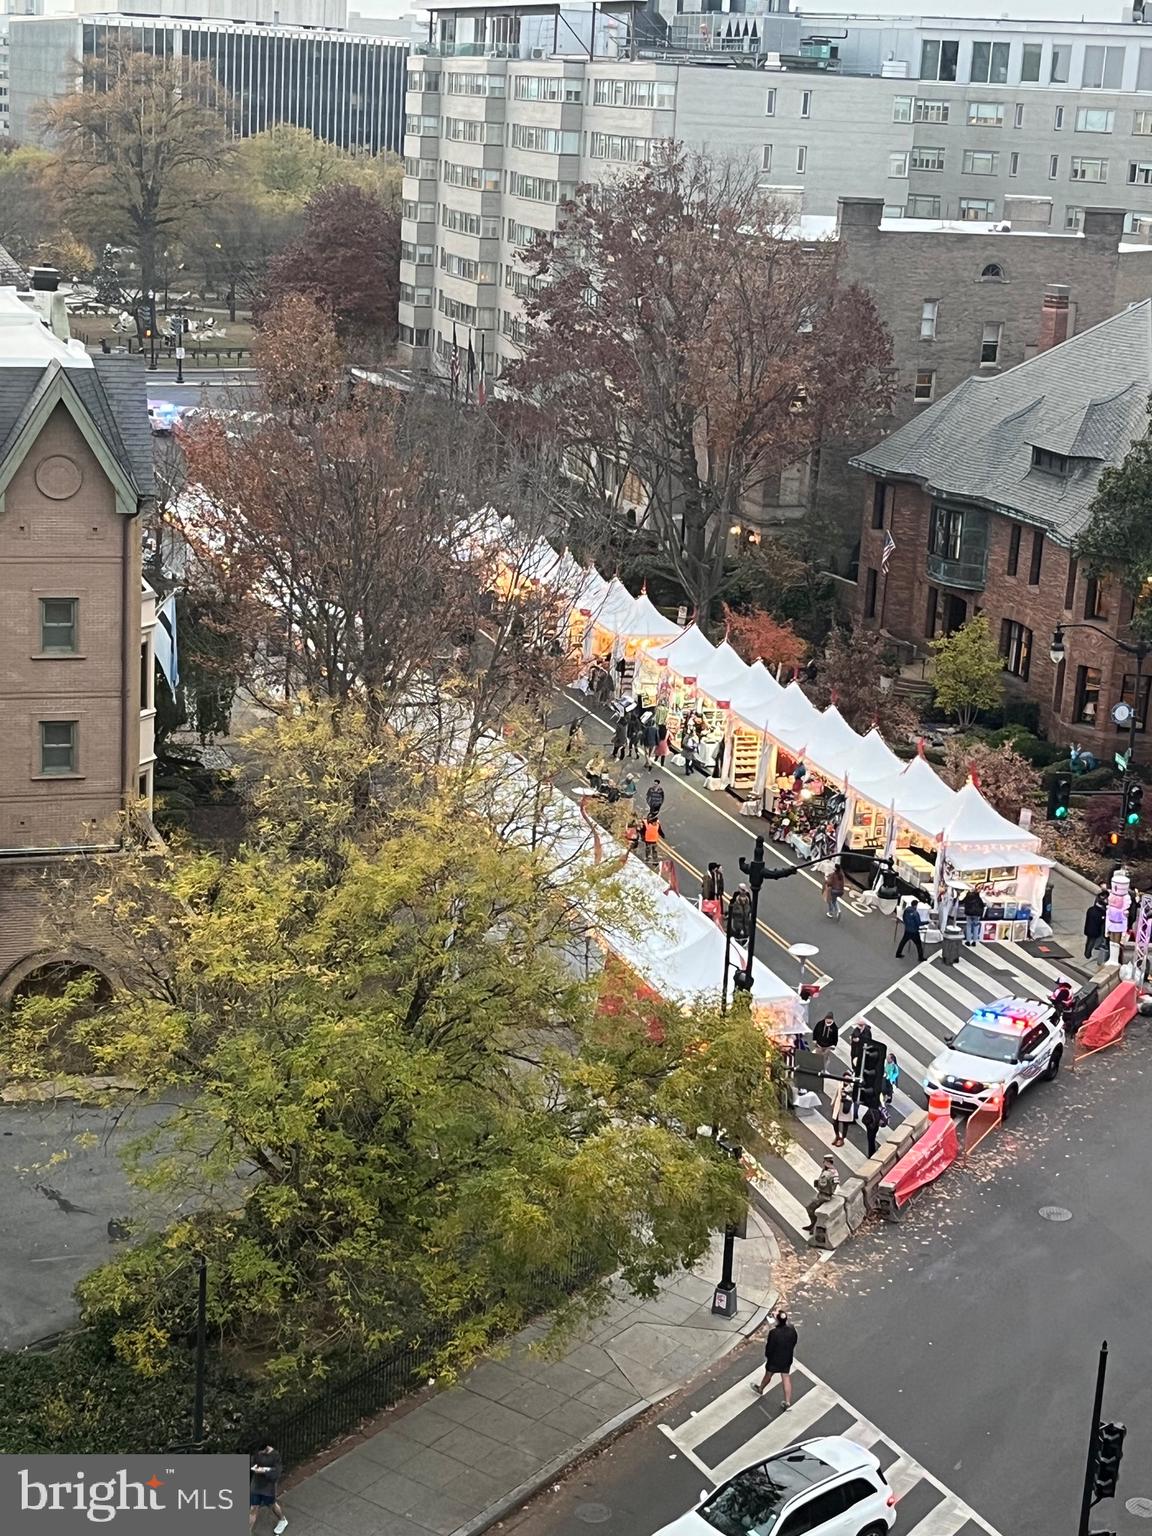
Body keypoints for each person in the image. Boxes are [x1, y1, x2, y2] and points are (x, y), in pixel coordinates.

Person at [753, 1310, 799, 1408]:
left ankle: (760, 1388)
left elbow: (770, 1347)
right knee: (786, 1377)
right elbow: (795, 1340)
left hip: (774, 1359)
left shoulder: (774, 1333)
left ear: (778, 1320)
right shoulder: (791, 1329)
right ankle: (787, 1401)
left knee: (768, 1375)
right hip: (787, 1358)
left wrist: (768, 1356)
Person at [250, 1442, 287, 1534]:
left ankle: (282, 1520)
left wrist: (263, 1471)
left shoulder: (275, 1456)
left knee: (272, 1505)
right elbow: (254, 1461)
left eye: (261, 1452)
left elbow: (276, 1473)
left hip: (268, 1487)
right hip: (256, 1485)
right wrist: (254, 1466)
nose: (259, 1454)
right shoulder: (257, 1451)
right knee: (253, 1508)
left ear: (266, 1449)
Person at [804, 1156, 839, 1231]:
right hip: (830, 1194)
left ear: (826, 1162)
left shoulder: (826, 1173)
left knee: (810, 1208)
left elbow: (822, 1184)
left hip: (823, 1195)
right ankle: (813, 1225)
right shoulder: (835, 1171)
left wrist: (817, 1183)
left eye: (824, 1162)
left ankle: (814, 1225)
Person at [896, 897, 925, 962]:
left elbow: (904, 917)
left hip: (907, 930)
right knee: (918, 945)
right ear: (916, 905)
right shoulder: (915, 913)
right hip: (914, 931)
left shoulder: (906, 910)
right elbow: (919, 923)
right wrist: (927, 922)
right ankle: (920, 957)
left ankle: (898, 953)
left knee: (903, 942)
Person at [830, 1072, 854, 1147]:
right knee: (835, 1122)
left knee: (845, 1124)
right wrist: (833, 1102)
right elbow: (836, 1093)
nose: (846, 1080)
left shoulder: (852, 1087)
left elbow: (854, 1098)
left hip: (846, 1107)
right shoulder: (840, 1084)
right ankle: (837, 1136)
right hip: (838, 1106)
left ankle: (842, 1138)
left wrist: (847, 1097)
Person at [1083, 892, 1107, 960]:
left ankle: (1087, 952)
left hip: (1088, 929)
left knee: (1088, 941)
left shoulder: (1090, 909)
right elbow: (1100, 922)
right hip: (1094, 930)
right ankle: (1088, 954)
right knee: (1091, 942)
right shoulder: (1100, 913)